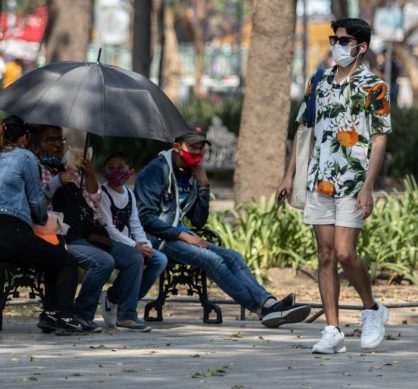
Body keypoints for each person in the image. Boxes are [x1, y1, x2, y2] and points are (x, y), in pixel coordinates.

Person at [276, 18, 391, 354]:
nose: (337, 45)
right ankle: (332, 329)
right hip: (319, 179)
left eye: (344, 41)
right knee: (325, 255)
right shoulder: (320, 81)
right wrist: (288, 175)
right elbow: (303, 130)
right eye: (334, 39)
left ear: (361, 47)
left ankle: (372, 309)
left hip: (354, 181)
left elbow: (380, 138)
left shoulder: (375, 86)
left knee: (345, 252)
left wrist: (368, 185)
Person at [134, 128, 311, 329]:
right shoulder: (156, 171)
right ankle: (263, 310)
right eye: (193, 147)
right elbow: (145, 218)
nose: (198, 153)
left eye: (201, 149)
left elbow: (199, 221)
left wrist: (203, 185)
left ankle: (269, 303)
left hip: (178, 236)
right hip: (156, 238)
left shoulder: (189, 174)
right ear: (176, 147)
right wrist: (183, 235)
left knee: (233, 256)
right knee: (213, 260)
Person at [0, 115, 82, 336]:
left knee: (52, 258)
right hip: (11, 235)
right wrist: (40, 220)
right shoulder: (26, 157)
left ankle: (50, 315)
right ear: (24, 137)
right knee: (67, 262)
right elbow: (37, 201)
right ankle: (66, 316)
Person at [30, 126, 150, 332]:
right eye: (50, 140)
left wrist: (89, 173)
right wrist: (58, 182)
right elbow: (38, 205)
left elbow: (94, 200)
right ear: (37, 145)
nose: (57, 144)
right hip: (60, 236)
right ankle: (82, 314)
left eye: (60, 139)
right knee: (103, 262)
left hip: (89, 233)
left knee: (134, 258)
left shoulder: (69, 167)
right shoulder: (35, 168)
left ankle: (126, 315)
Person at [98, 152, 168, 318]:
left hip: (129, 242)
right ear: (103, 171)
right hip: (109, 242)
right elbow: (108, 228)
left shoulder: (129, 194)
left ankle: (117, 297)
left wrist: (145, 245)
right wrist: (134, 246)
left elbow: (135, 223)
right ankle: (127, 312)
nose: (115, 171)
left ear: (131, 172)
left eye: (120, 168)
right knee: (136, 257)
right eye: (111, 168)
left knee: (159, 260)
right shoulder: (102, 194)